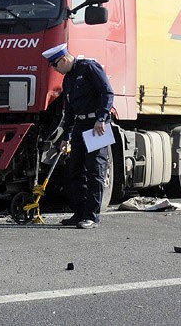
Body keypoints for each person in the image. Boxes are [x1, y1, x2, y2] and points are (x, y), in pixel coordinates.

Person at [42, 43, 114, 229]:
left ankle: (92, 217)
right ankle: (80, 213)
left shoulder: (89, 68)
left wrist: (102, 117)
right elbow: (70, 111)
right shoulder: (68, 79)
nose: (54, 69)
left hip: (98, 126)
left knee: (95, 170)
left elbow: (107, 92)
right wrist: (66, 137)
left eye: (55, 65)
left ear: (64, 59)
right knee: (75, 171)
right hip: (80, 126)